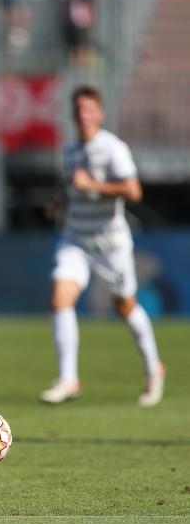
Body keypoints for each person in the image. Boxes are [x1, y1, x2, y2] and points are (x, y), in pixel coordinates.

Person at [41, 85, 165, 407]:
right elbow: (73, 190)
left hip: (109, 242)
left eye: (88, 109)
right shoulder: (70, 150)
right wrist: (60, 202)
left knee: (125, 306)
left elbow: (133, 191)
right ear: (72, 115)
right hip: (75, 238)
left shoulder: (113, 148)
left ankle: (153, 368)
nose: (83, 115)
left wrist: (92, 184)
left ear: (99, 114)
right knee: (59, 299)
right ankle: (69, 378)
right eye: (78, 110)